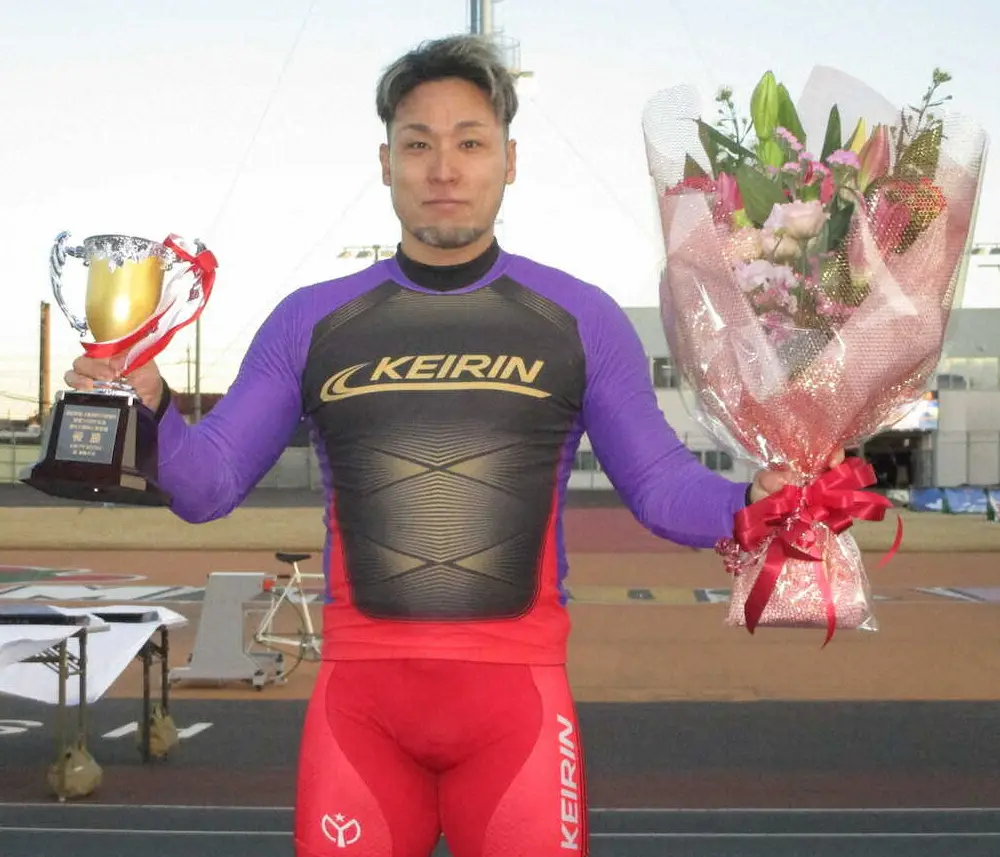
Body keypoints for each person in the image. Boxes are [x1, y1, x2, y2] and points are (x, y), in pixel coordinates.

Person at [66, 34, 802, 857]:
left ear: (509, 161)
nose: (443, 169)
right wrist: (153, 407)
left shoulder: (580, 318)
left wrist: (754, 500)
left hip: (516, 715)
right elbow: (206, 486)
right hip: (361, 715)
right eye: (417, 145)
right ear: (385, 163)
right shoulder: (309, 321)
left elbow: (661, 486)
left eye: (470, 143)